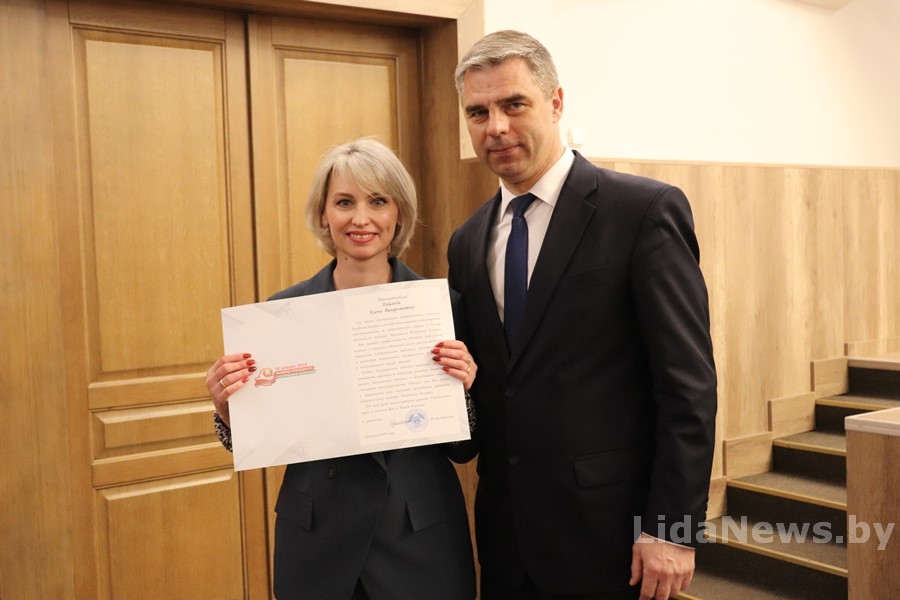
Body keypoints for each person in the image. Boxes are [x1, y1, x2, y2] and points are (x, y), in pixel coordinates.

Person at [447, 30, 718, 600]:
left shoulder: (641, 212)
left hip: (613, 540)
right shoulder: (467, 241)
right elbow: (486, 388)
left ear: (556, 103)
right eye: (478, 112)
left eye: (513, 104)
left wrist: (672, 528)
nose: (496, 126)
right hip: (506, 541)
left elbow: (687, 386)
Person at [206, 138, 478, 600]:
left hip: (419, 541)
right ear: (323, 215)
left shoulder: (442, 308)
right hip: (317, 543)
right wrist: (227, 410)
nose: (361, 218)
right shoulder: (281, 314)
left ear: (399, 214)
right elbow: (259, 438)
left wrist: (464, 391)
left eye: (378, 201)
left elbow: (465, 450)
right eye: (345, 202)